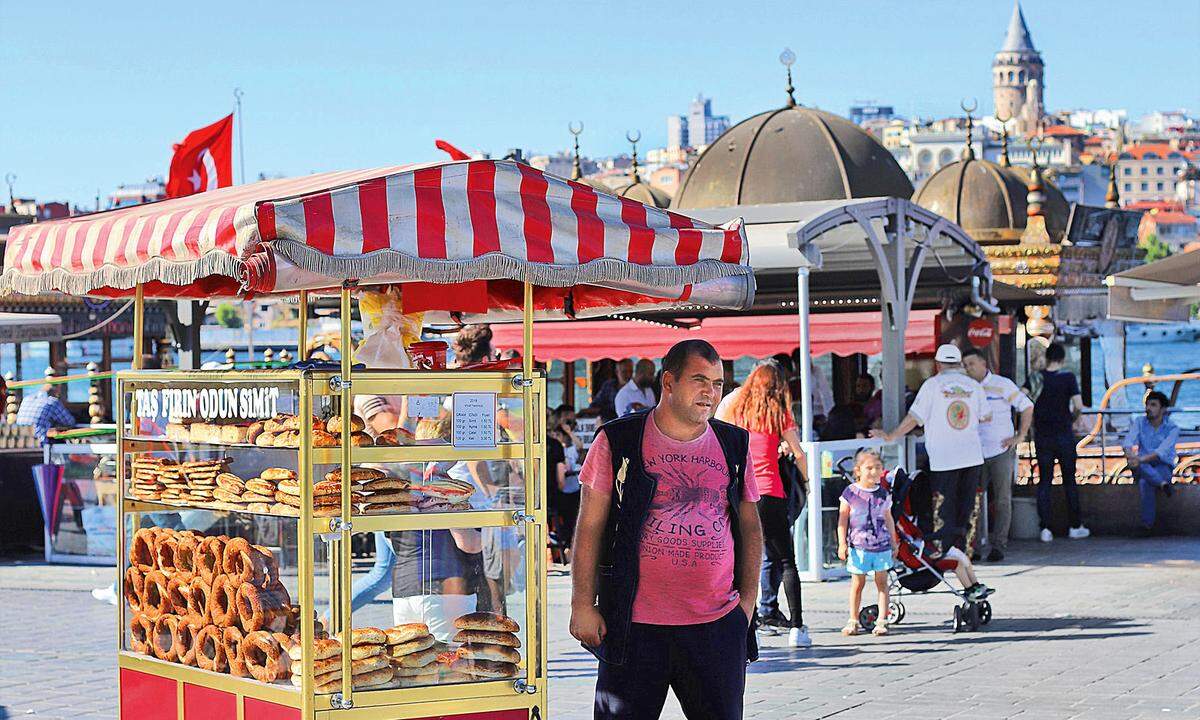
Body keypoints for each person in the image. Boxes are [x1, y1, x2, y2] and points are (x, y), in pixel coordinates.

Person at [570, 339, 762, 720]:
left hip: (716, 625)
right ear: (669, 382)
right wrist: (580, 605)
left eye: (719, 383)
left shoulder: (734, 443)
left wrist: (747, 606)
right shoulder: (618, 439)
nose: (711, 392)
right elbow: (589, 526)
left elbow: (751, 525)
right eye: (700, 380)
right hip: (633, 625)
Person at [715, 361, 811, 648]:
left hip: (743, 493)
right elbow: (799, 453)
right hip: (771, 493)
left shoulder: (735, 409)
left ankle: (747, 626)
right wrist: (806, 482)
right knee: (786, 561)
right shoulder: (777, 413)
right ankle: (797, 627)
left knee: (744, 562)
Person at [873, 344, 990, 552]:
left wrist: (891, 436)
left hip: (943, 458)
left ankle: (944, 553)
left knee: (944, 508)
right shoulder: (975, 386)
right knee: (967, 508)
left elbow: (914, 418)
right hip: (972, 456)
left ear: (938, 364)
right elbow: (986, 416)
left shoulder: (932, 386)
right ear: (959, 363)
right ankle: (965, 554)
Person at [962, 348, 1033, 562]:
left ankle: (999, 544)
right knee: (974, 499)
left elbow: (1027, 406)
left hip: (1000, 449)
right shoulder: (966, 388)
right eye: (965, 365)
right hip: (975, 451)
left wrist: (1020, 435)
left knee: (1002, 499)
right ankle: (972, 545)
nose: (968, 369)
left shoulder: (1002, 384)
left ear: (984, 363)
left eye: (971, 364)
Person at [1027, 342, 1089, 542]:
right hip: (1064, 434)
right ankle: (1075, 526)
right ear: (1062, 359)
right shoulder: (1068, 378)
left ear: (1046, 357)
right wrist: (1072, 417)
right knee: (1069, 480)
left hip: (1043, 436)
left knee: (1044, 481)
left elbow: (1023, 397)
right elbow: (1079, 405)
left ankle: (1045, 529)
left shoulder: (1036, 378)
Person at [837, 449, 899, 637]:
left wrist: (894, 541)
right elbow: (843, 519)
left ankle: (882, 620)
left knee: (882, 583)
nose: (874, 472)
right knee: (857, 584)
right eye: (869, 468)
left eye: (878, 467)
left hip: (881, 546)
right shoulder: (851, 493)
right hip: (858, 546)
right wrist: (842, 543)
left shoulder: (883, 494)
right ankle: (853, 619)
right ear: (858, 471)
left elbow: (888, 518)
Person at [1123, 391, 1179, 536]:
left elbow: (1161, 452)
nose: (1148, 408)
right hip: (1141, 465)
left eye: (1153, 405)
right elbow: (1127, 442)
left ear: (1163, 409)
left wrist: (1137, 460)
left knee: (1144, 483)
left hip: (1162, 466)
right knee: (1142, 467)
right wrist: (1130, 456)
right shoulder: (1140, 422)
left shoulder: (1172, 428)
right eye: (1147, 404)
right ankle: (1162, 484)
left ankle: (1147, 526)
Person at [549, 404, 583, 561]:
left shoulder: (572, 437)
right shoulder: (554, 440)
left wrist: (570, 432)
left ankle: (570, 543)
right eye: (565, 418)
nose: (569, 421)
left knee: (576, 514)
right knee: (567, 514)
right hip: (561, 485)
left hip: (573, 484)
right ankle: (563, 541)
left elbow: (580, 448)